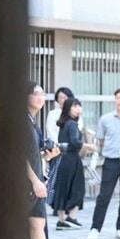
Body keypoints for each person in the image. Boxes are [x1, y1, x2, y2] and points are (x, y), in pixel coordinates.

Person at [25, 83, 71, 239]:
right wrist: (35, 180)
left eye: (42, 94)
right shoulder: (22, 122)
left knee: (38, 223)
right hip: (26, 184)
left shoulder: (32, 122)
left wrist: (47, 155)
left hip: (35, 184)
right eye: (35, 93)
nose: (40, 97)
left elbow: (32, 154)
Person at [87, 87, 120, 239]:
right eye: (117, 97)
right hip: (111, 161)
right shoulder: (106, 119)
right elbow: (101, 140)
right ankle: (95, 229)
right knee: (104, 196)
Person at [51, 97, 86, 228]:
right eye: (75, 106)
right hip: (72, 159)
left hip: (62, 158)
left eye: (79, 106)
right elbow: (75, 142)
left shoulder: (64, 123)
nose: (78, 109)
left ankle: (61, 220)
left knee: (62, 188)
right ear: (68, 108)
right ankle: (71, 217)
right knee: (78, 188)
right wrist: (86, 145)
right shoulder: (72, 124)